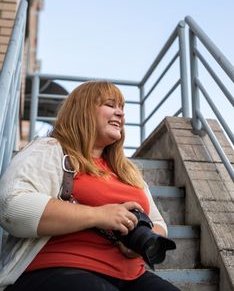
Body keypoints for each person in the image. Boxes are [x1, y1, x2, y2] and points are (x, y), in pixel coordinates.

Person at [0, 81, 180, 291]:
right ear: (83, 110)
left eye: (121, 108)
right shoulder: (51, 149)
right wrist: (99, 215)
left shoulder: (127, 170)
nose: (120, 113)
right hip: (59, 268)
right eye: (110, 105)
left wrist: (139, 245)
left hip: (132, 275)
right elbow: (11, 204)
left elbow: (159, 223)